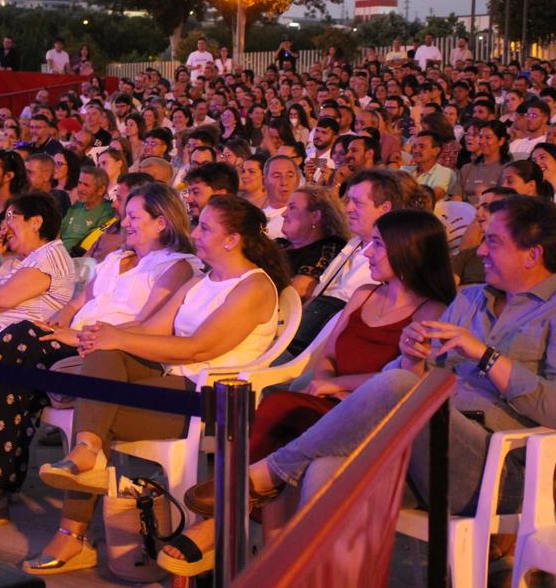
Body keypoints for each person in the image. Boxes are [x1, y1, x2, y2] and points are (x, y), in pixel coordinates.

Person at [161, 196, 556, 576]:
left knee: (388, 386)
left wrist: (484, 356)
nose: (481, 251)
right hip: (422, 446)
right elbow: (407, 378)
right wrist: (412, 356)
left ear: (532, 254)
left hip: (494, 464)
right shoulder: (471, 299)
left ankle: (271, 471)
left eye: (493, 242)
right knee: (324, 469)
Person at [0, 183, 198, 505]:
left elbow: (150, 326)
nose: (124, 223)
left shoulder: (175, 266)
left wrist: (79, 334)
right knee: (12, 368)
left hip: (110, 351)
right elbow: (74, 304)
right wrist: (58, 323)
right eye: (125, 215)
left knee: (18, 338)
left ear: (161, 222)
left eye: (133, 217)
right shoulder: (116, 259)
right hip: (73, 340)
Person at [25, 195, 288, 575]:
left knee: (96, 410)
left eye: (206, 228)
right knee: (102, 357)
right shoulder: (203, 280)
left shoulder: (254, 287)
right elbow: (151, 330)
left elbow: (199, 347)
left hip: (213, 399)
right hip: (171, 385)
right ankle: (86, 453)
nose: (194, 233)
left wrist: (118, 337)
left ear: (232, 240)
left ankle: (73, 524)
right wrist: (95, 334)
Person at [179, 210, 455, 556]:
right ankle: (268, 547)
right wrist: (325, 380)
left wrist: (340, 386)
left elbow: (407, 381)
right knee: (283, 412)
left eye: (378, 245)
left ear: (407, 250)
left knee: (282, 408)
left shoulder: (433, 310)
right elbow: (327, 354)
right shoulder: (365, 294)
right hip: (328, 400)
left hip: (371, 416)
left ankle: (222, 524)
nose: (367, 253)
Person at [286, 169, 402, 357]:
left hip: (336, 345)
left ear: (385, 208)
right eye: (348, 201)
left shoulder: (392, 256)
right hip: (308, 334)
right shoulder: (354, 243)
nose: (348, 208)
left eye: (358, 202)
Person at [278, 185, 349, 302]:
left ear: (315, 216)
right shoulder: (280, 244)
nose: (284, 214)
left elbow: (300, 290)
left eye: (292, 208)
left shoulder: (328, 248)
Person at [59, 167, 115, 254]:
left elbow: (94, 244)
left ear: (101, 190)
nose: (80, 189)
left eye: (86, 185)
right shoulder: (77, 205)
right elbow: (59, 232)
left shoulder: (107, 211)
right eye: (79, 183)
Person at [456, 120, 510, 202]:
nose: (482, 141)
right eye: (480, 137)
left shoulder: (507, 170)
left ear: (501, 141)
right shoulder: (467, 168)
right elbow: (456, 196)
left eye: (488, 138)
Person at [403, 132, 457, 202]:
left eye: (422, 147)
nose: (415, 150)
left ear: (436, 151)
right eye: (414, 147)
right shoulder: (405, 170)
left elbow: (433, 196)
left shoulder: (444, 172)